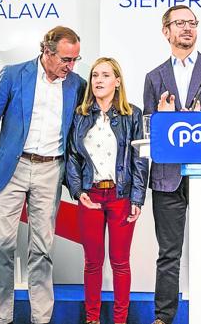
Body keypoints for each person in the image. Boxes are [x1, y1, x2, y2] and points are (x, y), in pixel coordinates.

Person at [0, 26, 86, 324]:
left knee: (43, 250)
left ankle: (41, 319)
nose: (70, 67)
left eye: (75, 60)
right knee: (3, 247)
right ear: (47, 51)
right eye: (66, 60)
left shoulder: (77, 85)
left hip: (51, 171)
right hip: (12, 169)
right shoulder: (13, 75)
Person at [143, 4, 201, 324]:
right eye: (179, 23)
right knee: (168, 254)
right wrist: (163, 121)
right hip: (167, 177)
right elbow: (147, 130)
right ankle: (163, 318)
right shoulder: (154, 77)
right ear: (165, 31)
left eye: (192, 23)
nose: (187, 28)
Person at [66, 57, 148, 324]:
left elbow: (139, 159)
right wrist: (78, 192)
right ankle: (92, 319)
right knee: (92, 262)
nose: (98, 80)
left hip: (120, 196)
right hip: (90, 196)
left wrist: (137, 197)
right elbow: (72, 158)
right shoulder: (80, 115)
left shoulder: (132, 114)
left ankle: (120, 319)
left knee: (120, 263)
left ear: (117, 81)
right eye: (94, 76)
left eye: (105, 75)